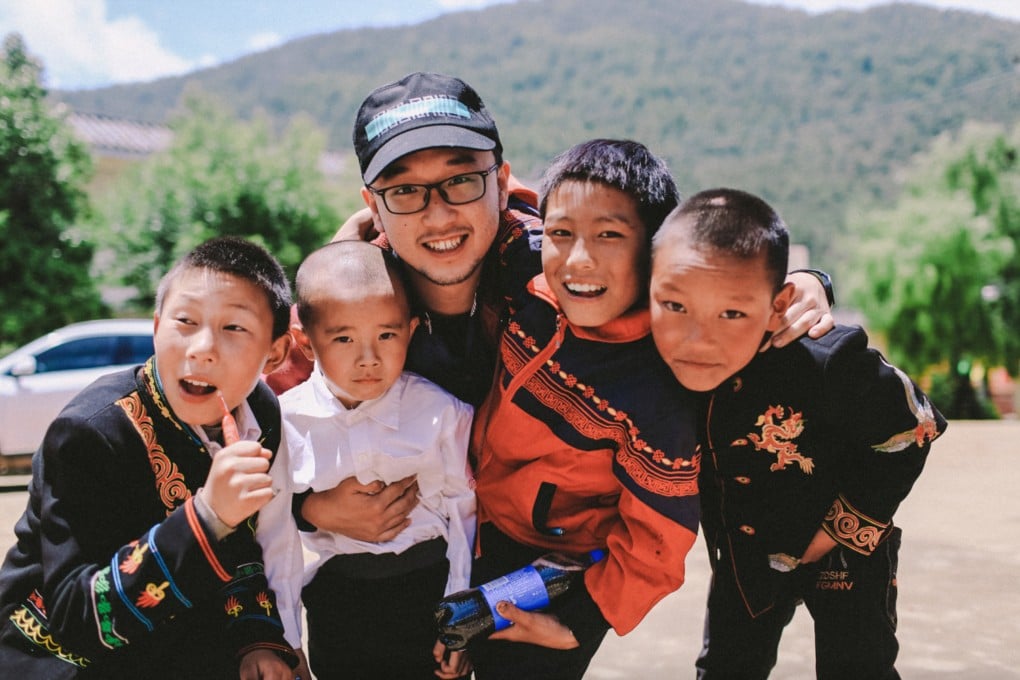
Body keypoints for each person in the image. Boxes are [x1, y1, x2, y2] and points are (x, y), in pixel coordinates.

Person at [290, 71, 837, 544]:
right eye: (405, 192)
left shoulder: (557, 265)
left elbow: (681, 258)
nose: (437, 215)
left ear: (501, 182)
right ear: (373, 205)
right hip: (408, 560)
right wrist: (307, 510)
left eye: (460, 181)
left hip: (540, 550)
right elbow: (260, 421)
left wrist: (804, 283)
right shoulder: (346, 299)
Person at [647, 188, 947, 680]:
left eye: (732, 314)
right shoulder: (655, 358)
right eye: (676, 306)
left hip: (842, 553)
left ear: (779, 305)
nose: (700, 339)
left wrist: (842, 527)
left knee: (859, 667)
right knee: (725, 668)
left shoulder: (826, 358)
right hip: (743, 556)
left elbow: (914, 427)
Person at [0, 236, 298, 679]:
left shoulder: (260, 413)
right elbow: (75, 617)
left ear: (275, 353)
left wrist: (257, 639)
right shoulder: (91, 432)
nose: (202, 347)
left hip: (182, 644)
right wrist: (206, 516)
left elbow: (242, 544)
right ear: (157, 327)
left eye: (234, 328)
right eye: (185, 321)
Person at [463, 139, 700, 679]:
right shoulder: (527, 278)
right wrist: (364, 226)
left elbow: (658, 538)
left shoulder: (657, 392)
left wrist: (583, 621)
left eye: (609, 235)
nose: (578, 260)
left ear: (657, 249)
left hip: (553, 568)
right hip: (472, 523)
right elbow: (505, 203)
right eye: (562, 233)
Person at [256, 240, 476, 680]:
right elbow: (278, 541)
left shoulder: (440, 413)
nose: (369, 359)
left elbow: (464, 515)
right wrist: (287, 639)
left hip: (428, 597)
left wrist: (463, 616)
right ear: (306, 342)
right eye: (344, 339)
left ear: (411, 331)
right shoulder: (283, 424)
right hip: (337, 605)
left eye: (387, 336)